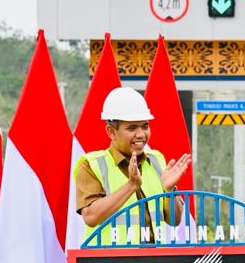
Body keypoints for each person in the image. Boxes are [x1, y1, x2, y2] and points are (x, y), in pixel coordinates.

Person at [75, 87, 191, 244]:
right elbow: (91, 216)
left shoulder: (157, 160)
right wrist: (131, 185)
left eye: (145, 126)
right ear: (111, 132)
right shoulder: (91, 165)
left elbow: (174, 220)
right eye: (132, 128)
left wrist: (170, 191)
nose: (141, 134)